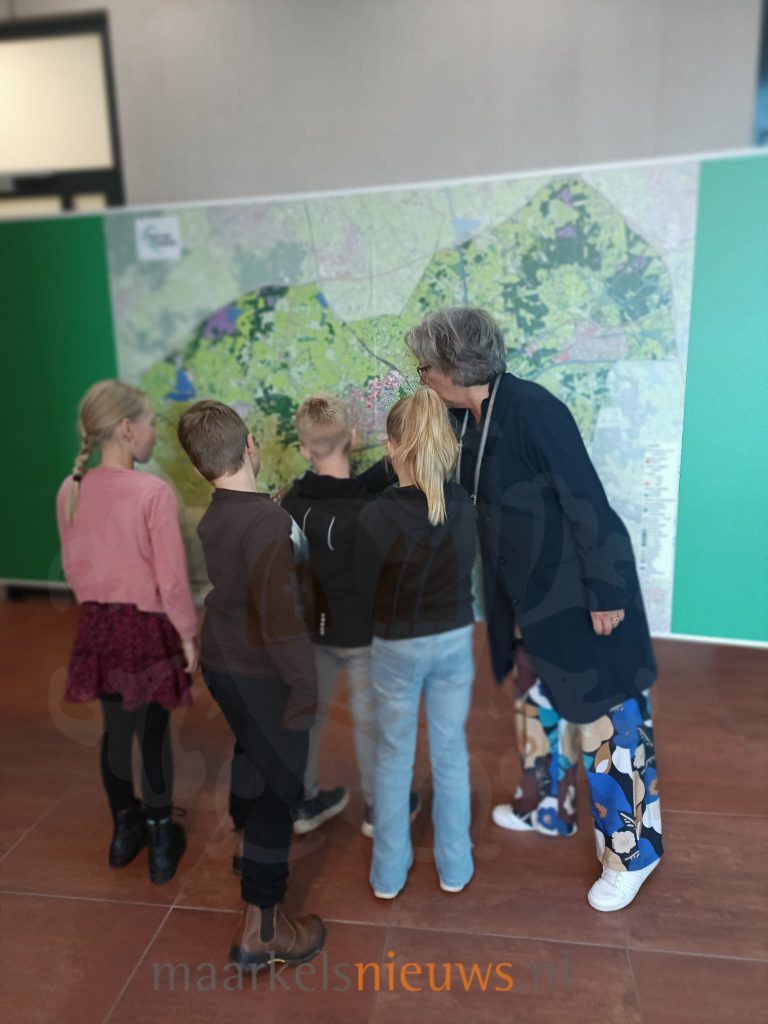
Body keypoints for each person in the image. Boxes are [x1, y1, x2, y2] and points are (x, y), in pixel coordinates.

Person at [404, 307, 663, 912]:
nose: (422, 377)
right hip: (529, 600)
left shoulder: (534, 410)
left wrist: (606, 593)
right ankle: (546, 806)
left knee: (608, 722)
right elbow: (417, 464)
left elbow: (588, 503)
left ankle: (634, 852)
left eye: (426, 367)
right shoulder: (466, 418)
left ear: (455, 368)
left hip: (580, 593)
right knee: (539, 700)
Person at [177, 399, 324, 969]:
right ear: (250, 447)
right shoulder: (265, 522)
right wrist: (305, 690)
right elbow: (282, 621)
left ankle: (244, 847)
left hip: (223, 663)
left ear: (199, 467)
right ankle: (263, 928)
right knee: (277, 788)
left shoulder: (220, 514)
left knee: (251, 751)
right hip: (262, 671)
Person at [56, 380, 196, 885]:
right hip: (147, 628)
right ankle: (159, 844)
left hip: (99, 627)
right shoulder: (152, 492)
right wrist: (187, 634)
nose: (156, 433)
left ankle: (123, 835)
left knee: (115, 733)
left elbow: (74, 568)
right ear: (127, 429)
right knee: (153, 739)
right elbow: (171, 579)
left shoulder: (70, 489)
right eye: (152, 423)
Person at [356, 388, 477, 899]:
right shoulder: (464, 503)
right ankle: (456, 867)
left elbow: (364, 593)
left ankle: (388, 874)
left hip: (396, 647)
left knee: (393, 755)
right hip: (454, 639)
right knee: (450, 752)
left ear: (391, 448)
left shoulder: (375, 514)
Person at [281, 395, 421, 837]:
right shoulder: (373, 511)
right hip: (363, 636)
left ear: (304, 449)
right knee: (370, 723)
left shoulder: (290, 502)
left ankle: (303, 802)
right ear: (354, 438)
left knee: (307, 719)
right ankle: (379, 809)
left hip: (311, 631)